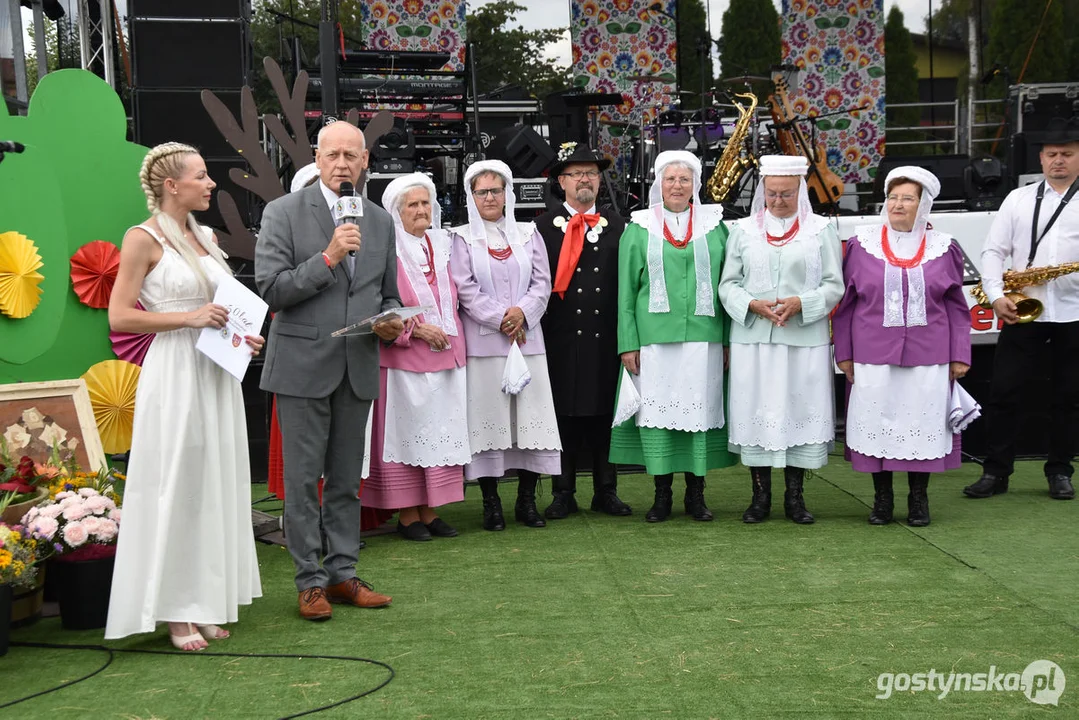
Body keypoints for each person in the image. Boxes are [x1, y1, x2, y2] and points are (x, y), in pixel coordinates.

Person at [105, 142, 262, 651]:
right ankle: (175, 610)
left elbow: (218, 308)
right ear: (172, 185)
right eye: (201, 176)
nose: (210, 183)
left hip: (216, 371)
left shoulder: (207, 236)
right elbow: (120, 316)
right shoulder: (140, 239)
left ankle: (206, 600)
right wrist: (188, 318)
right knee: (175, 483)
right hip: (173, 372)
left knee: (213, 482)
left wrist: (242, 335)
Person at [256, 121, 404, 621]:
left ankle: (343, 573)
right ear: (318, 159)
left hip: (358, 364)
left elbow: (388, 294)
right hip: (301, 367)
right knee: (302, 482)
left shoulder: (382, 222)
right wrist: (329, 256)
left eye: (351, 155)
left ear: (365, 162)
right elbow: (272, 290)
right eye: (333, 154)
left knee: (345, 480)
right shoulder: (283, 213)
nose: (342, 163)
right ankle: (309, 582)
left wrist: (390, 321)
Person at [832, 166, 972, 526]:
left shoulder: (945, 248)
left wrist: (960, 354)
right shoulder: (862, 245)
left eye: (907, 198)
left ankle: (918, 500)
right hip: (871, 354)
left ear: (923, 205)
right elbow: (846, 305)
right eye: (893, 197)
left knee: (921, 428)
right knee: (878, 425)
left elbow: (957, 306)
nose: (897, 204)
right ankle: (882, 501)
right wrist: (843, 354)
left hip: (931, 356)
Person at [610, 150, 737, 522]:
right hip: (652, 342)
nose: (677, 186)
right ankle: (661, 495)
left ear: (695, 185)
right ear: (658, 184)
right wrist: (627, 343)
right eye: (670, 179)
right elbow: (626, 293)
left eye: (684, 179)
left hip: (705, 339)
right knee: (659, 415)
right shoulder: (639, 227)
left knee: (698, 413)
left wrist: (728, 340)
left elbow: (728, 286)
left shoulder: (716, 226)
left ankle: (696, 496)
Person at [718, 155, 844, 524]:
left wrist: (800, 303)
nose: (778, 200)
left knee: (798, 413)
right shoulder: (742, 230)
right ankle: (760, 498)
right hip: (753, 339)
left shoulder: (821, 230)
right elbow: (728, 285)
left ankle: (795, 498)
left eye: (786, 193)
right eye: (771, 193)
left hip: (803, 338)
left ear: (800, 191)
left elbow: (834, 285)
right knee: (756, 413)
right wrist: (752, 304)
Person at [965, 118, 1079, 501]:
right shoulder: (1018, 198)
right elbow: (993, 251)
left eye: (1067, 154)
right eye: (1051, 155)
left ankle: (1060, 471)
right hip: (1022, 310)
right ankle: (996, 472)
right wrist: (997, 295)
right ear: (1042, 158)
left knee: (1069, 397)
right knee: (1005, 393)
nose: (1058, 161)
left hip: (1074, 311)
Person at [449, 160, 562, 531]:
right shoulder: (461, 238)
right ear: (472, 196)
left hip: (528, 342)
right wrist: (503, 319)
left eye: (496, 190)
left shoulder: (529, 234)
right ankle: (491, 503)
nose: (490, 197)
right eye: (482, 191)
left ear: (507, 193)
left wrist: (522, 315)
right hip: (484, 346)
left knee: (529, 422)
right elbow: (465, 288)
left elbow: (542, 284)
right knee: (491, 424)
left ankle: (527, 502)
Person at [362, 173, 470, 541]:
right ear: (396, 212)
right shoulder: (384, 250)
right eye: (413, 205)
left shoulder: (444, 245)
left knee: (439, 434)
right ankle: (408, 514)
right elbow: (376, 304)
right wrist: (416, 329)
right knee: (407, 436)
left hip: (447, 355)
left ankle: (430, 510)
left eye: (426, 203)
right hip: (405, 359)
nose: (421, 210)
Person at [534, 142, 631, 520]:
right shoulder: (541, 228)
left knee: (604, 414)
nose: (585, 179)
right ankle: (563, 492)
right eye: (576, 173)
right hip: (560, 337)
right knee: (563, 415)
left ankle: (606, 490)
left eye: (591, 172)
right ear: (562, 181)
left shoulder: (618, 225)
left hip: (605, 337)